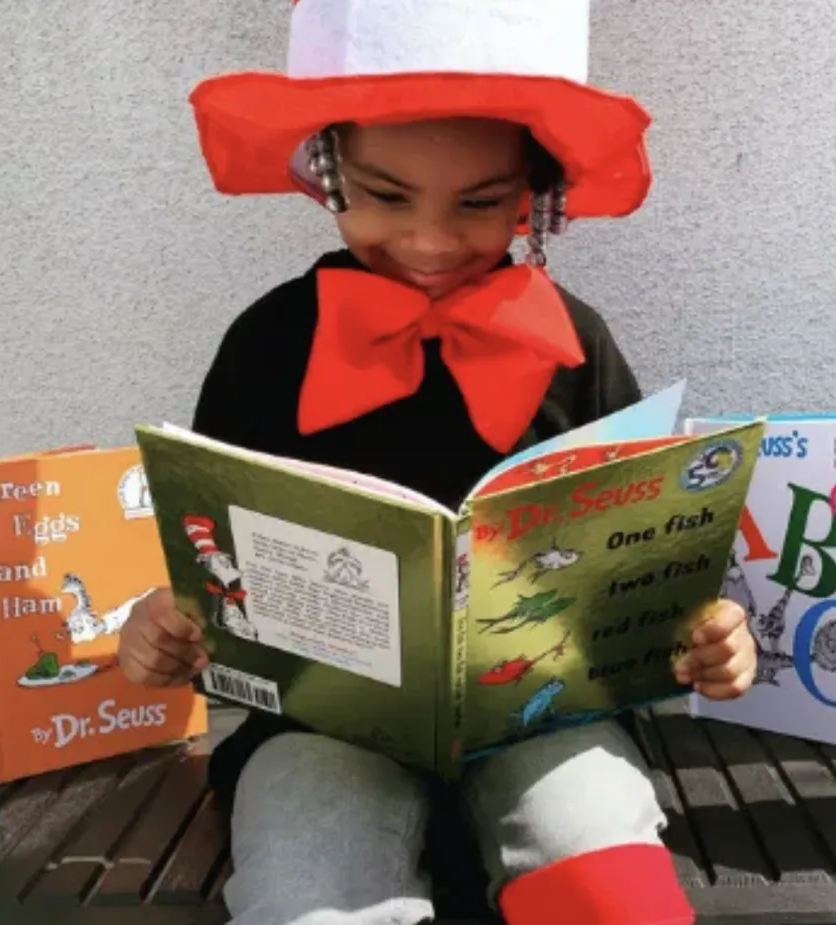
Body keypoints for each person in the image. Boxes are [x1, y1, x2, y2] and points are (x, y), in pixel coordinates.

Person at [119, 2, 758, 923]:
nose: (429, 240)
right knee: (307, 894)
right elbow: (206, 552)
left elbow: (653, 549)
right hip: (318, 726)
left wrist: (705, 630)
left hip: (548, 713)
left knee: (606, 871)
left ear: (534, 192)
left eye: (481, 202)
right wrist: (167, 620)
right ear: (327, 168)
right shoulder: (268, 346)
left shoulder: (574, 343)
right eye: (386, 195)